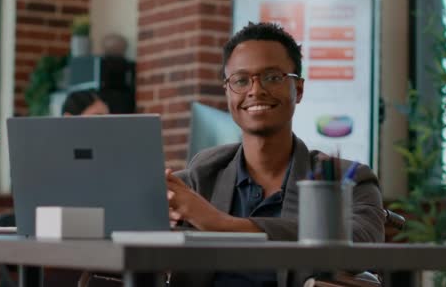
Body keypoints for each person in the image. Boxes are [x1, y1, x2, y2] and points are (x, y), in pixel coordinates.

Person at [165, 22, 385, 287]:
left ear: (299, 89)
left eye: (272, 77)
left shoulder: (347, 179)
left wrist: (222, 225)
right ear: (227, 92)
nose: (255, 90)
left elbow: (362, 244)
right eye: (241, 80)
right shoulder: (200, 178)